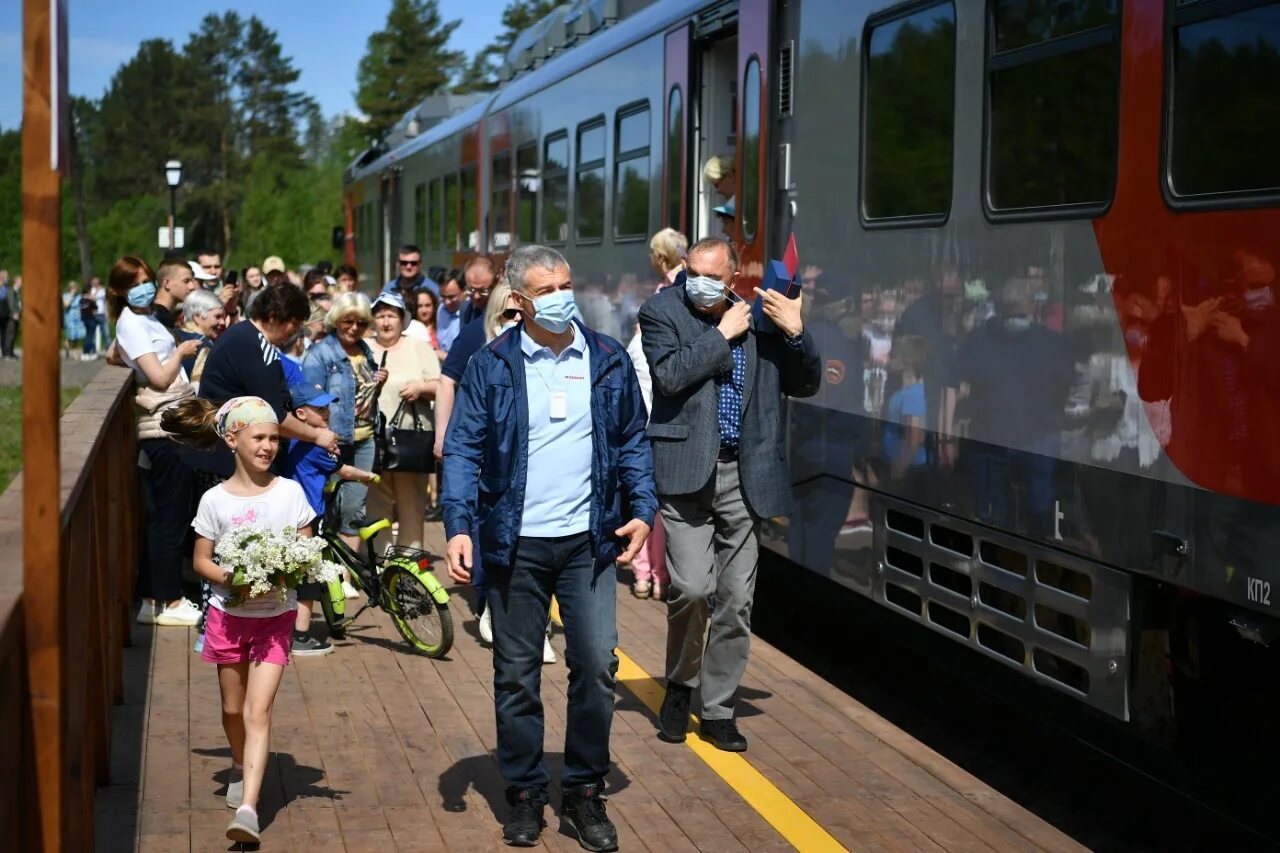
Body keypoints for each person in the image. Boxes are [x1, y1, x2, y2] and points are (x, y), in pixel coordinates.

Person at [442, 244, 657, 851]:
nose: (563, 296)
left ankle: (585, 791)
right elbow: (462, 448)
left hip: (588, 542)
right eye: (548, 288)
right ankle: (527, 793)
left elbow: (632, 441)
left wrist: (642, 510)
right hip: (515, 546)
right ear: (519, 301)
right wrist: (459, 524)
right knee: (516, 676)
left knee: (594, 666)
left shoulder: (607, 359)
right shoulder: (493, 364)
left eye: (566, 283)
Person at [639, 236, 821, 753]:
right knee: (693, 589)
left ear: (733, 277)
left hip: (744, 475)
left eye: (712, 276)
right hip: (685, 473)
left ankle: (718, 708)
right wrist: (721, 335)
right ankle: (680, 684)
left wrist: (796, 333)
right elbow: (670, 376)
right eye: (692, 271)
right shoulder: (660, 312)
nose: (698, 281)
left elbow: (806, 383)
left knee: (737, 601)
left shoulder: (761, 318)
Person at [166, 395, 319, 845]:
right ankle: (239, 762)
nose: (269, 446)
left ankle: (249, 809)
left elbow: (307, 551)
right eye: (260, 437)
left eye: (275, 438)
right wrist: (233, 579)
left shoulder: (290, 493)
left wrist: (285, 571)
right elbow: (200, 561)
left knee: (258, 710)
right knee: (233, 709)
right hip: (228, 616)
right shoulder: (214, 499)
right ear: (233, 440)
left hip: (275, 618)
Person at [196, 281, 339, 656]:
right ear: (276, 318)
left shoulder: (251, 341)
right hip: (223, 459)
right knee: (227, 543)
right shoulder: (253, 344)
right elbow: (272, 414)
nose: (296, 333)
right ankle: (220, 625)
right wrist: (316, 435)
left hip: (232, 454)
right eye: (294, 324)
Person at [108, 256, 204, 627]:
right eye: (136, 283)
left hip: (173, 425)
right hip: (164, 428)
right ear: (119, 290)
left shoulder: (141, 319)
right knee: (169, 516)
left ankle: (157, 595)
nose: (145, 287)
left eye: (146, 279)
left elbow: (115, 355)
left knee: (171, 513)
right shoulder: (131, 323)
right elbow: (160, 379)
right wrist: (181, 353)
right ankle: (163, 599)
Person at [624, 228, 688, 599]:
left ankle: (644, 572)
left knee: (644, 496)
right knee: (663, 504)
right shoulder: (681, 297)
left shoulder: (658, 302)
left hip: (647, 417)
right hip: (666, 416)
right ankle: (658, 574)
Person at [302, 292, 386, 556]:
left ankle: (345, 574)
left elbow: (363, 397)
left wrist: (378, 383)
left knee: (353, 506)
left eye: (361, 323)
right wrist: (322, 435)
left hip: (365, 438)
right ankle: (326, 572)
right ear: (336, 320)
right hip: (332, 439)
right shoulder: (320, 353)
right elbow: (309, 402)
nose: (354, 328)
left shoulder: (365, 350)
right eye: (348, 321)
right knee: (328, 507)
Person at [367, 291, 440, 550]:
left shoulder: (418, 347)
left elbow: (440, 385)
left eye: (391, 316)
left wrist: (420, 388)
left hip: (411, 438)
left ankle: (410, 558)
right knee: (376, 501)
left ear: (402, 320)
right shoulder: (365, 348)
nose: (386, 322)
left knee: (411, 502)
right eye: (380, 316)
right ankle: (380, 559)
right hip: (372, 437)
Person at [176, 288, 228, 391]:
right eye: (217, 317)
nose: (223, 323)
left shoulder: (172, 334)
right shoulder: (203, 347)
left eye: (224, 317)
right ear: (197, 317)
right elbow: (198, 389)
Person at [436, 269, 465, 352]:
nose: (447, 302)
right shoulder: (441, 309)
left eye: (451, 297)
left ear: (464, 291)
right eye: (443, 297)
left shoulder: (469, 313)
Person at [63, 281, 85, 359]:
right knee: (70, 335)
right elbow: (66, 305)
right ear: (70, 288)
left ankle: (75, 353)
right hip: (69, 317)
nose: (74, 289)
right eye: (72, 288)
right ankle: (67, 349)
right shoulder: (65, 295)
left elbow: (82, 306)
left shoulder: (79, 296)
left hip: (78, 318)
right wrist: (71, 296)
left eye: (75, 288)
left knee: (76, 336)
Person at [2, 275, 21, 358]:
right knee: (9, 334)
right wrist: (14, 313)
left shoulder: (17, 292)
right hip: (11, 317)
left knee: (14, 334)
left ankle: (11, 352)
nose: (21, 283)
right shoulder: (11, 291)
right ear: (16, 282)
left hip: (17, 316)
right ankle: (7, 353)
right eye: (20, 281)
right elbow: (11, 303)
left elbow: (19, 304)